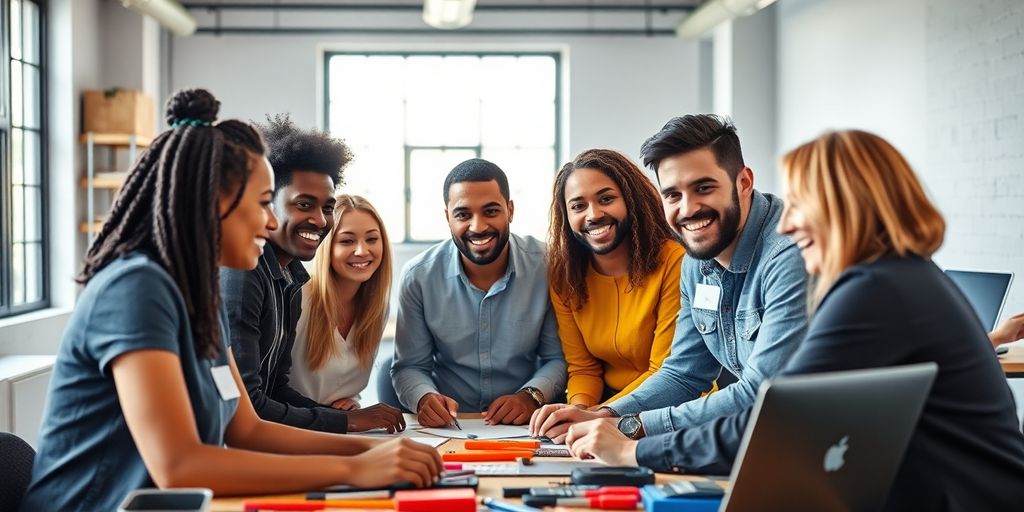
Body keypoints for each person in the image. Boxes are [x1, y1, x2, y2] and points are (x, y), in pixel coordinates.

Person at [21, 90, 442, 512]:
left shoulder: (197, 297)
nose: (272, 221)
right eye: (263, 203)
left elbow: (249, 430)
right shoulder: (137, 289)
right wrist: (353, 469)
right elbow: (179, 466)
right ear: (213, 203)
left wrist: (375, 454)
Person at [565, 130, 1024, 511]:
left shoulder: (873, 290)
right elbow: (722, 389)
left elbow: (774, 419)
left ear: (849, 206)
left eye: (800, 205)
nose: (786, 224)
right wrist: (609, 415)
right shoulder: (894, 278)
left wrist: (632, 447)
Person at [533, 115, 808, 442]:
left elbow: (762, 394)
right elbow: (683, 374)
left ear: (744, 182)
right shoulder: (698, 258)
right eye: (673, 195)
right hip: (758, 437)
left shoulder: (789, 255)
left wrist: (629, 426)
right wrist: (603, 414)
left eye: (703, 188)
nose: (688, 209)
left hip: (813, 443)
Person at [221, 115, 403, 434]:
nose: (320, 221)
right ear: (267, 202)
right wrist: (344, 422)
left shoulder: (291, 277)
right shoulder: (244, 273)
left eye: (327, 207)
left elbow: (275, 389)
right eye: (303, 204)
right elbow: (245, 404)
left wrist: (346, 420)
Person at [391, 158, 567, 427]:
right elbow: (410, 366)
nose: (478, 226)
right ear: (447, 217)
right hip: (451, 425)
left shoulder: (549, 266)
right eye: (463, 214)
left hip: (525, 424)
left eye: (491, 211)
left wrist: (531, 395)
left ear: (510, 210)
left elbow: (558, 358)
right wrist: (425, 397)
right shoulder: (419, 276)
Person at [526, 149, 683, 438]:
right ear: (566, 215)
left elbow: (666, 372)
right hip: (605, 409)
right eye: (578, 206)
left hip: (670, 411)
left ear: (631, 200)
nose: (594, 214)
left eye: (606, 199)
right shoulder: (565, 276)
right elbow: (584, 368)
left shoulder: (675, 261)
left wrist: (594, 416)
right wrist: (574, 411)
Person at [291, 195, 392, 410]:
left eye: (372, 239)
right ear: (326, 246)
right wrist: (331, 416)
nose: (362, 251)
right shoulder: (299, 299)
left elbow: (344, 388)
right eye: (347, 241)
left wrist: (351, 403)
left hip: (340, 430)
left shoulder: (377, 308)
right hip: (293, 428)